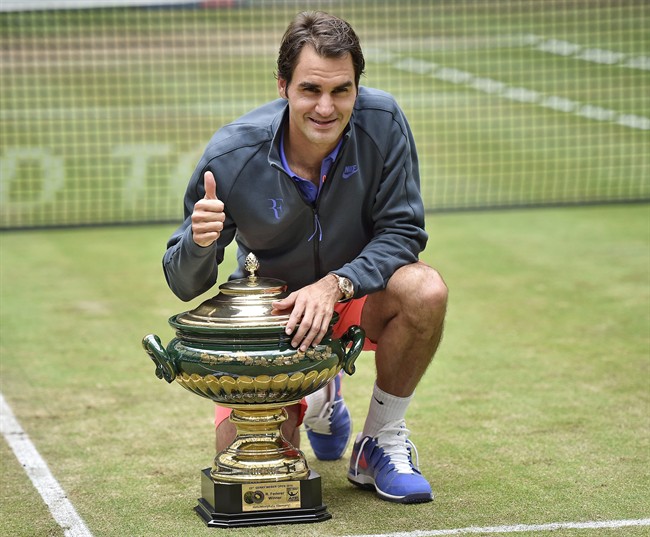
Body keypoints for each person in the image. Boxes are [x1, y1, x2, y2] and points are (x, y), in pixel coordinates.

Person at [162, 11, 448, 504]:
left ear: (357, 87)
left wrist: (335, 283)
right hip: (278, 324)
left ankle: (378, 440)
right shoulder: (231, 155)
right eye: (311, 89)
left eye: (341, 90)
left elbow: (403, 232)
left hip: (357, 294)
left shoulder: (383, 122)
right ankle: (319, 399)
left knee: (425, 289)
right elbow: (183, 283)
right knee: (250, 474)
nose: (325, 106)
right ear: (283, 87)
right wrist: (200, 244)